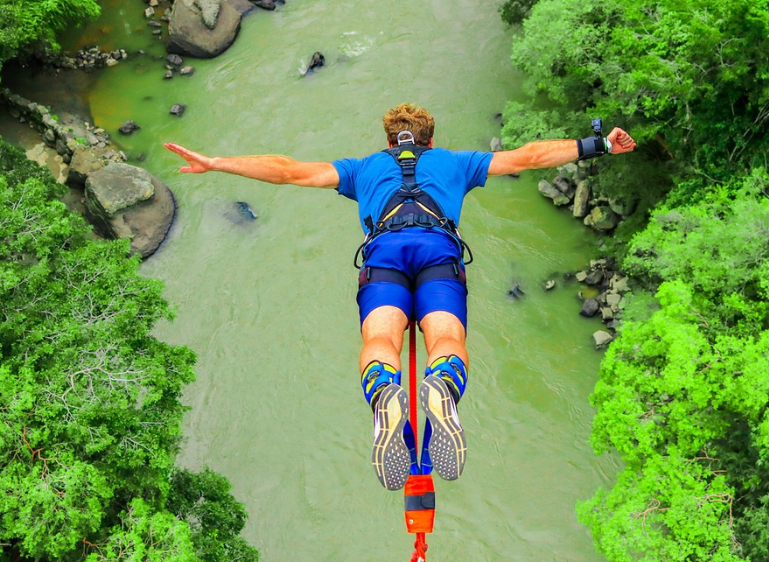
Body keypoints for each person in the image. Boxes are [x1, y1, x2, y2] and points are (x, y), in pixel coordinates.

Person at [165, 103, 636, 491]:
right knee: (446, 336)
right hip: (438, 253)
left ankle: (384, 394)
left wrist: (217, 162)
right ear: (431, 138)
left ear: (390, 141)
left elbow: (287, 171)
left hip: (384, 256)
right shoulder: (455, 162)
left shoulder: (361, 169)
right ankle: (444, 389)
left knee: (381, 341)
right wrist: (596, 144)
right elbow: (528, 156)